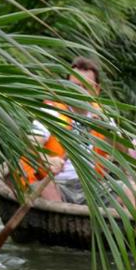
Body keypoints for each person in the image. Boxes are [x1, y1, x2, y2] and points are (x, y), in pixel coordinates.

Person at [19, 57, 110, 203]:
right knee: (47, 189)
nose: (79, 92)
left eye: (85, 87)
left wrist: (108, 131)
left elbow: (124, 151)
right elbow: (30, 143)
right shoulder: (51, 112)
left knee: (127, 189)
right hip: (57, 183)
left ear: (96, 90)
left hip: (91, 185)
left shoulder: (101, 116)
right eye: (74, 86)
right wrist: (47, 159)